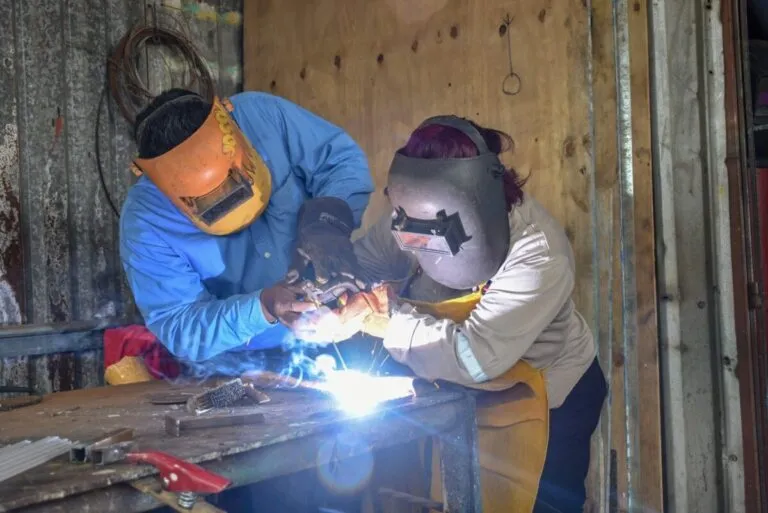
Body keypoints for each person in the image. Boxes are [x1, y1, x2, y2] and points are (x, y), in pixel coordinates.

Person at [295, 116, 607, 513]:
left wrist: (384, 318)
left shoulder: (537, 253)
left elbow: (476, 358)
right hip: (457, 391)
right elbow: (365, 266)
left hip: (545, 398)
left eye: (433, 231)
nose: (413, 239)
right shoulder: (411, 216)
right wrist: (334, 291)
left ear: (470, 204)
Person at [119, 88, 374, 363]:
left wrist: (326, 225)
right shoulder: (146, 221)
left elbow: (340, 162)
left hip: (339, 322)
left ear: (229, 123)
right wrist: (263, 306)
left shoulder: (262, 117)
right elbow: (180, 325)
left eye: (232, 182)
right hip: (247, 361)